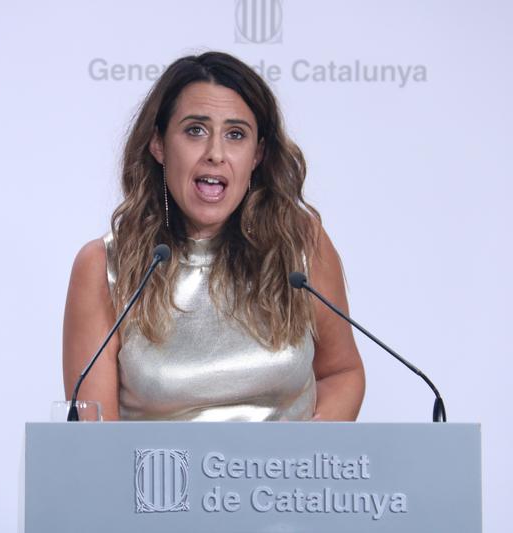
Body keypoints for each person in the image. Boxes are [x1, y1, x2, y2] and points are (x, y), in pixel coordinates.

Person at [62, 51, 364, 421]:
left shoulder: (299, 245)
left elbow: (342, 373)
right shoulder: (105, 267)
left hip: (286, 477)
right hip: (157, 479)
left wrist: (306, 457)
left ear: (257, 154)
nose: (215, 154)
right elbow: (93, 440)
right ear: (158, 144)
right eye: (195, 131)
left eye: (236, 135)